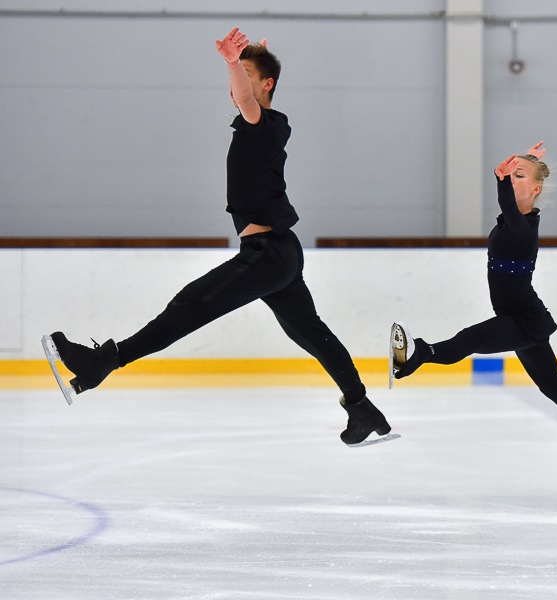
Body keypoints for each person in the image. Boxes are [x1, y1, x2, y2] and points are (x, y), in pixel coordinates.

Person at [44, 28, 392, 446]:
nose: (236, 85)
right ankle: (361, 407)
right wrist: (245, 62)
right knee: (309, 332)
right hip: (280, 252)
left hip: (267, 254)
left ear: (267, 85)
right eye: (236, 76)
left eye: (246, 76)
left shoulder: (262, 123)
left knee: (192, 304)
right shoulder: (262, 127)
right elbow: (245, 97)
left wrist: (231, 61)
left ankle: (103, 361)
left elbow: (246, 99)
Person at [390, 143, 557, 488]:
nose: (510, 178)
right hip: (522, 317)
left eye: (518, 175)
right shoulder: (514, 223)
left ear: (535, 189)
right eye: (510, 174)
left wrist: (500, 179)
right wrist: (514, 171)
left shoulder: (521, 226)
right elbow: (508, 207)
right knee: (555, 387)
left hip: (522, 320)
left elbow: (507, 203)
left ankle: (419, 353)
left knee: (470, 339)